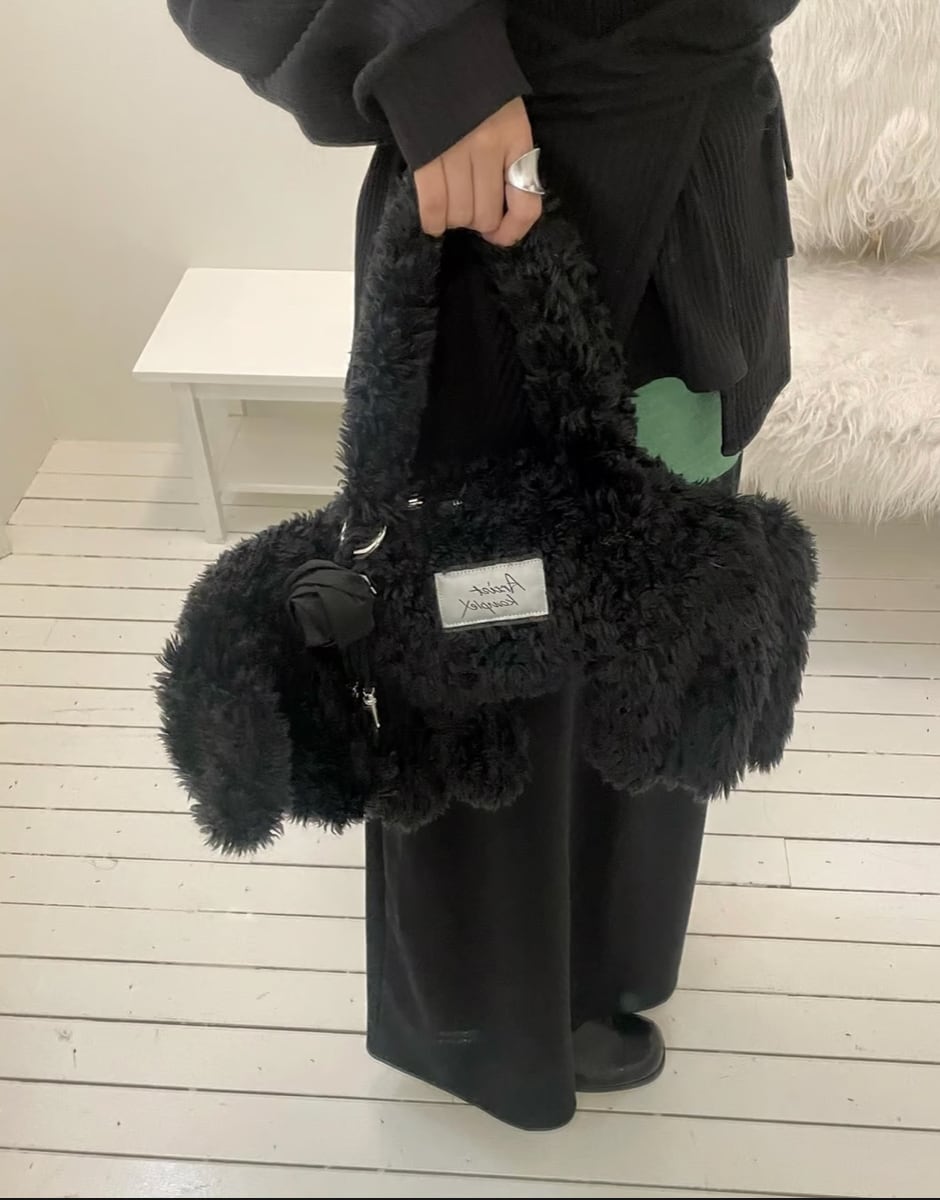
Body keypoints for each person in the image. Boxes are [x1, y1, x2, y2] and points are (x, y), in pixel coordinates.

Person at [168, 0, 801, 1130]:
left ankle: (611, 953)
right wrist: (430, 60)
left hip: (711, 177)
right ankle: (490, 1021)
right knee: (470, 641)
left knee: (657, 600)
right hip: (498, 168)